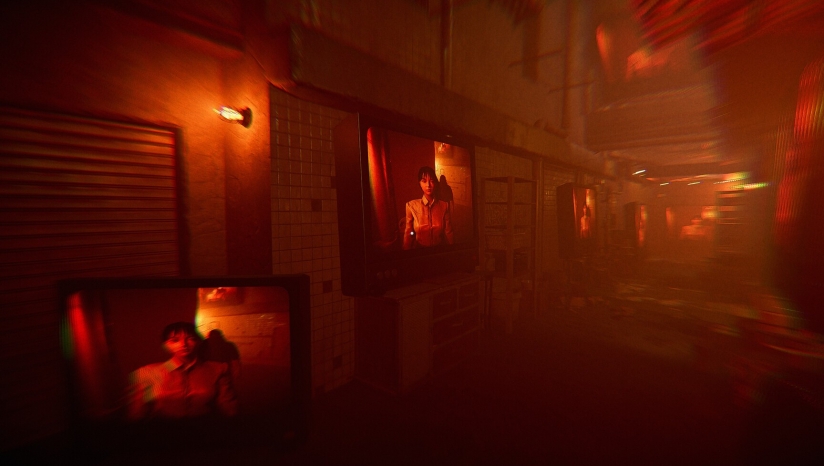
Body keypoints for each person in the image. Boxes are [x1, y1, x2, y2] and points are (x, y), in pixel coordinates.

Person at [127, 322, 238, 420]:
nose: (183, 344)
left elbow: (228, 406)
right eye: (175, 340)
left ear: (198, 342)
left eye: (190, 338)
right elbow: (137, 412)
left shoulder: (217, 369)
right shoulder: (149, 372)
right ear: (166, 345)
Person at [403, 166, 454, 249]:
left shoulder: (444, 206)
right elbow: (409, 232)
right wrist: (405, 250)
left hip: (439, 249)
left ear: (435, 183)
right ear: (419, 183)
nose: (428, 185)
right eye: (424, 181)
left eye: (432, 181)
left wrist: (453, 250)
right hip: (420, 249)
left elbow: (449, 232)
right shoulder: (411, 206)